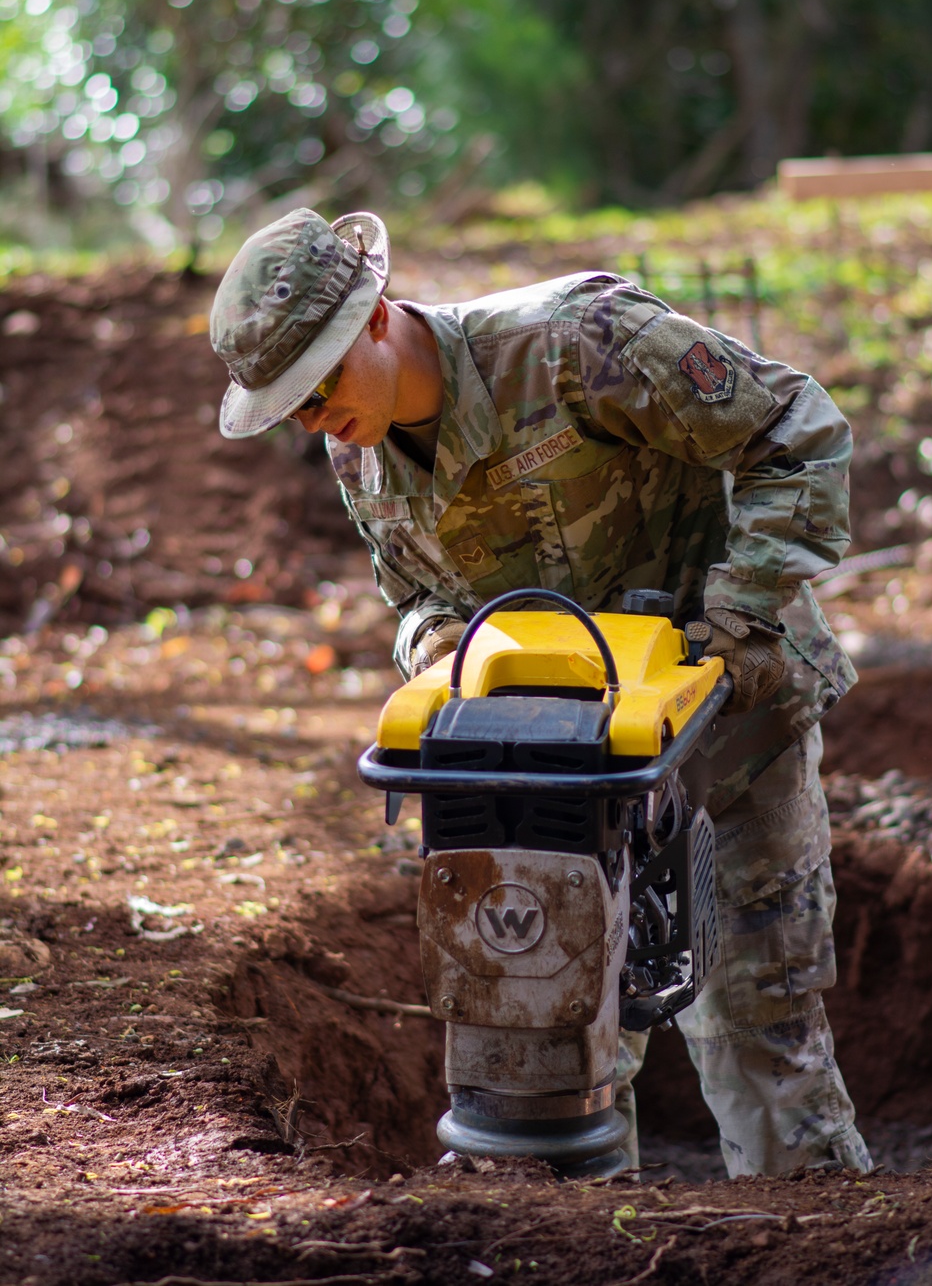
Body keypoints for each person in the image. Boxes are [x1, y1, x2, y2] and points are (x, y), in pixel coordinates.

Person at [210, 205, 872, 1177]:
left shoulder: (575, 345)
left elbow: (797, 433)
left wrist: (730, 623)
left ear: (380, 315)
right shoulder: (356, 443)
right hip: (549, 771)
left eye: (321, 384)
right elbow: (415, 600)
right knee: (546, 1054)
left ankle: (815, 1242)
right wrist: (441, 646)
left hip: (725, 734)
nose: (315, 418)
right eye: (293, 406)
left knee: (756, 1025)